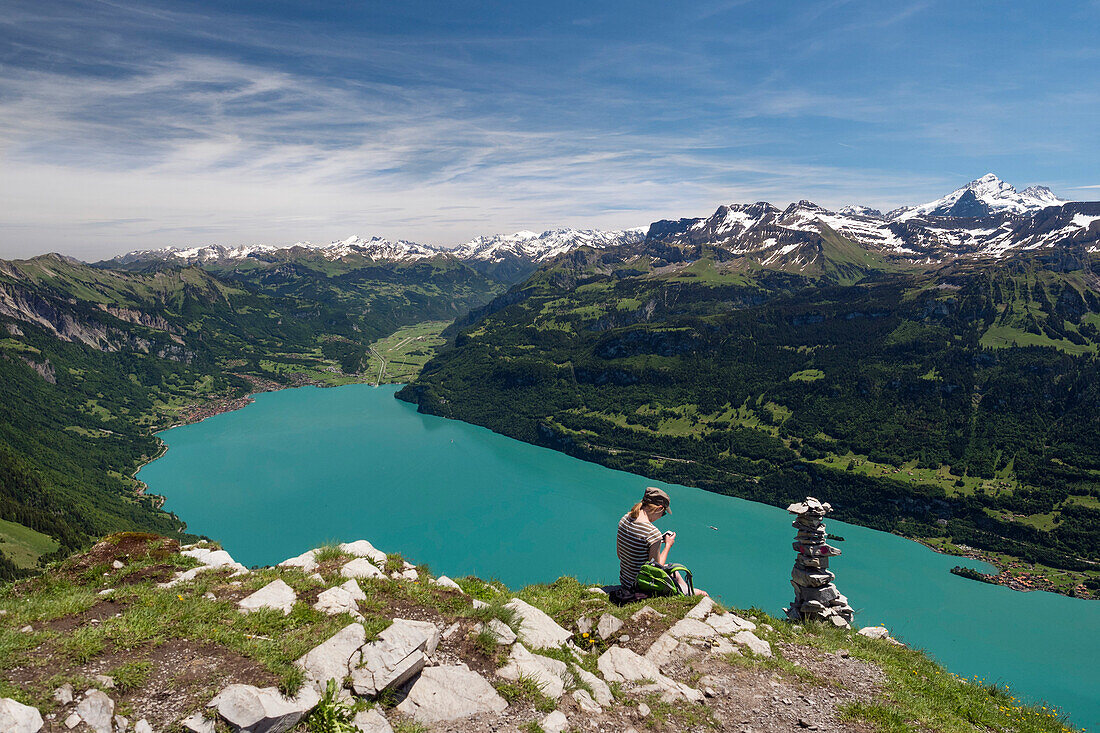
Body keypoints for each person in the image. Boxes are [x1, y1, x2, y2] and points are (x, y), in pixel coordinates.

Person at [616, 486, 707, 596]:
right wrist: (668, 545)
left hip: (626, 582)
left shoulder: (625, 519)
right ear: (659, 508)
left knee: (675, 573)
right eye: (663, 513)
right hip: (642, 587)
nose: (661, 516)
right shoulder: (652, 533)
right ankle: (689, 594)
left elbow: (620, 555)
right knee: (702, 594)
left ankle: (686, 593)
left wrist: (656, 542)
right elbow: (657, 568)